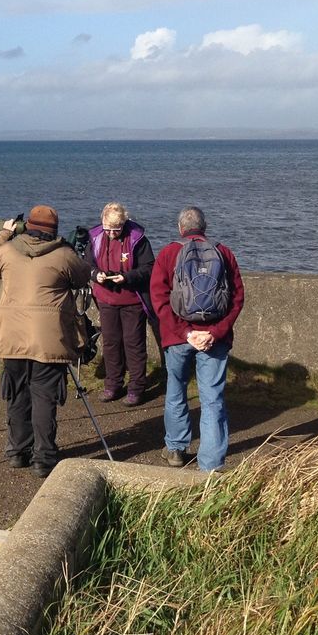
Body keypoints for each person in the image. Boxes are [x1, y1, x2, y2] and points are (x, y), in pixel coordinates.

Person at [0, 204, 92, 478]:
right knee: (44, 396)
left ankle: (18, 452)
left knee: (17, 393)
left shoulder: (7, 251)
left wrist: (4, 235)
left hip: (11, 336)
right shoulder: (64, 255)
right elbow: (83, 276)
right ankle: (44, 458)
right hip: (49, 339)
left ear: (26, 226)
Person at [150, 206, 245, 472]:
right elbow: (237, 298)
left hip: (177, 338)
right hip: (215, 338)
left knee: (176, 389)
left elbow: (158, 299)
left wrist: (186, 333)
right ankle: (211, 466)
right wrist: (214, 332)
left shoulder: (169, 253)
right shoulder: (224, 253)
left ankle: (176, 449)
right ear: (204, 227)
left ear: (180, 228)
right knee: (212, 398)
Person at [83, 202, 155, 406]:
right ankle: (112, 384)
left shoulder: (137, 239)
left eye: (117, 230)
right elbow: (87, 263)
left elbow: (149, 268)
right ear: (102, 222)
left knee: (133, 344)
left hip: (132, 300)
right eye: (109, 230)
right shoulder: (96, 237)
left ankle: (137, 387)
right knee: (111, 342)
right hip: (106, 298)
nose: (113, 234)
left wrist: (127, 277)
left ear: (124, 224)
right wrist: (96, 274)